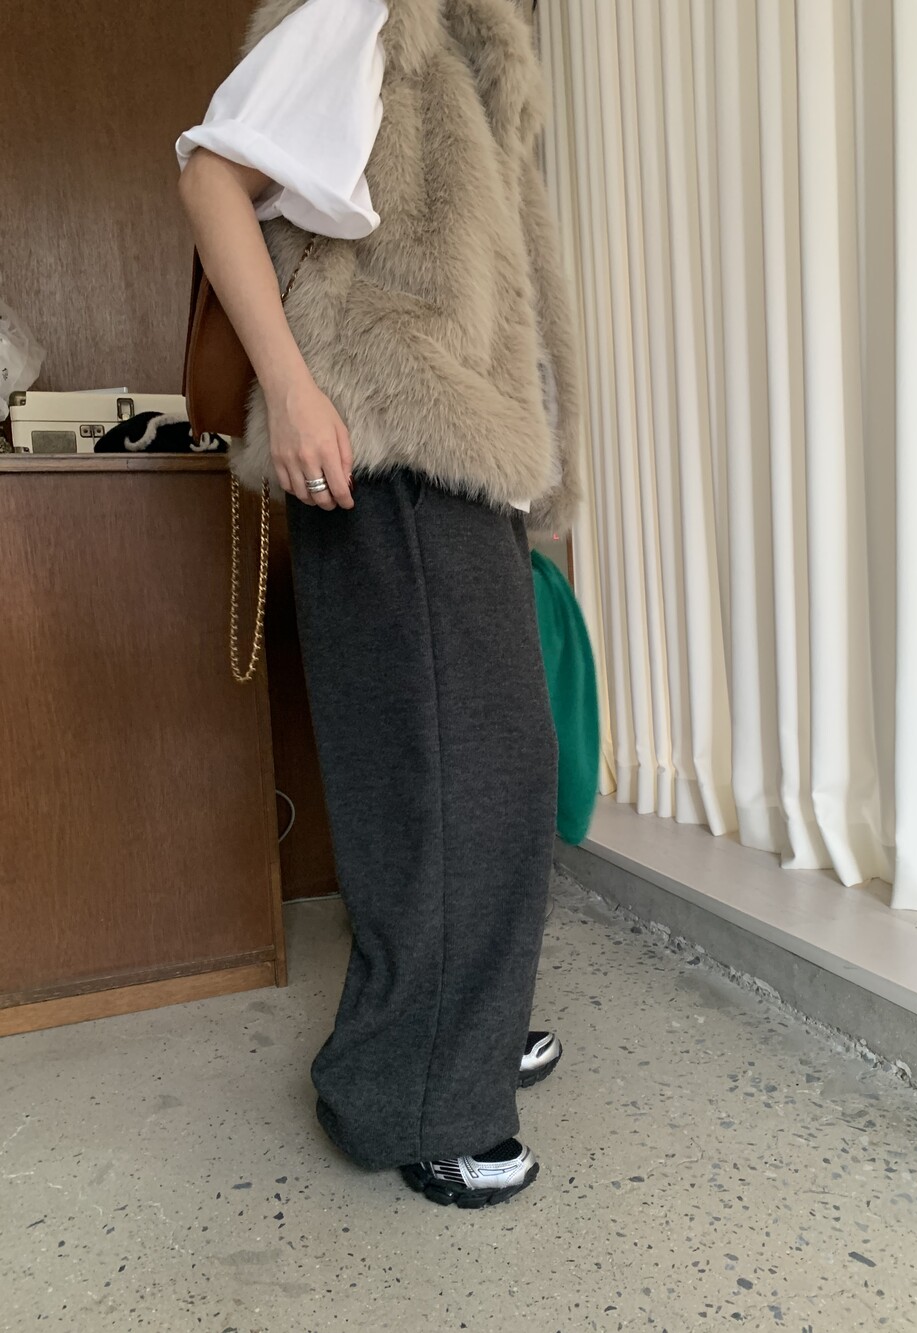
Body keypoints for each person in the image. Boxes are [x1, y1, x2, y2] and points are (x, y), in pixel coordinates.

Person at [177, 0, 581, 1209]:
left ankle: (462, 1023)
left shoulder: (470, 53)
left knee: (480, 776)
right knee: (452, 782)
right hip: (389, 438)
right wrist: (295, 389)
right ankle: (417, 1095)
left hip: (458, 450)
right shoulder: (367, 14)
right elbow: (214, 177)